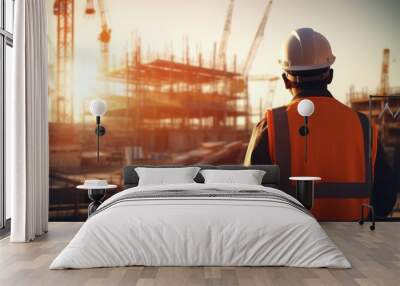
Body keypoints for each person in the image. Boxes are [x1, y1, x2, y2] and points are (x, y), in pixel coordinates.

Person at [244, 27, 396, 220]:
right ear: (330, 76)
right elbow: (385, 196)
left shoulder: (270, 126)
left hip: (293, 246)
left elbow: (249, 197)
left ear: (285, 80)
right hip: (355, 245)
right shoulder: (364, 127)